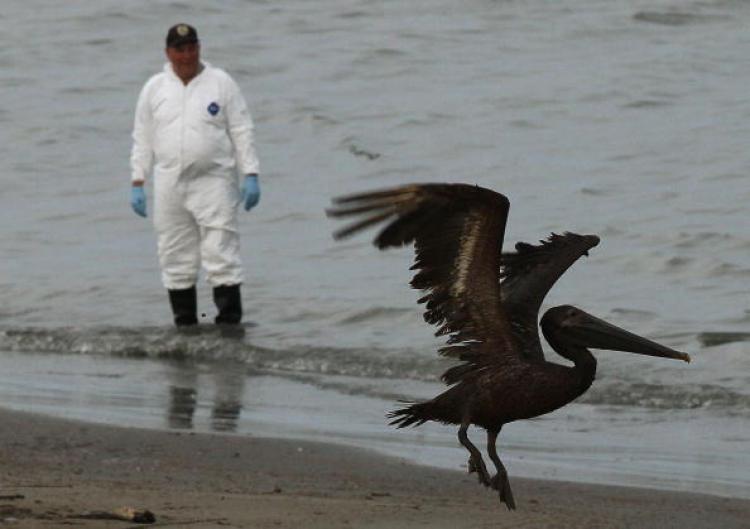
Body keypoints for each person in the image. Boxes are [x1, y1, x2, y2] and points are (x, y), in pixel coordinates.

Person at [129, 23, 260, 327]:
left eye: (192, 48)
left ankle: (229, 331)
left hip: (213, 181)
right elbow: (142, 136)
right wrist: (138, 180)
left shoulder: (220, 83)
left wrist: (250, 172)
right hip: (169, 183)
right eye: (180, 50)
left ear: (199, 48)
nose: (187, 56)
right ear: (168, 53)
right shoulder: (155, 88)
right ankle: (185, 330)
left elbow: (241, 129)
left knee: (221, 256)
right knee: (175, 257)